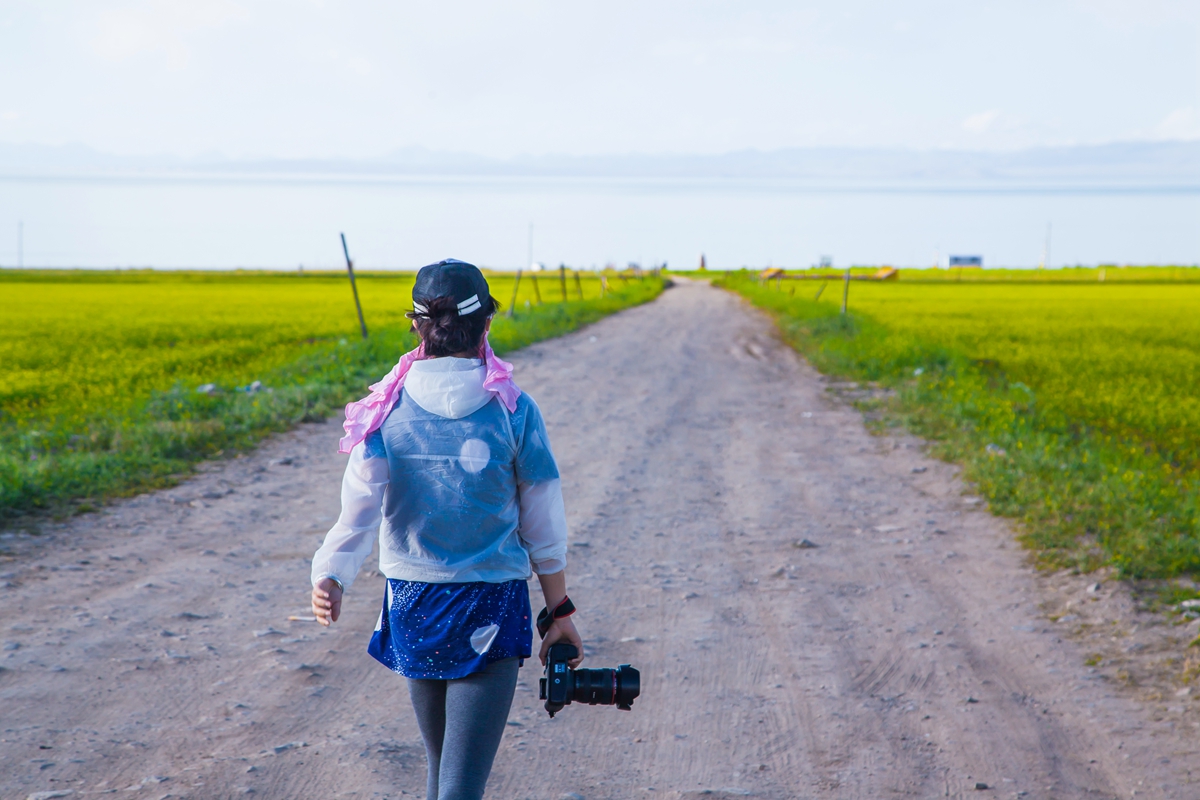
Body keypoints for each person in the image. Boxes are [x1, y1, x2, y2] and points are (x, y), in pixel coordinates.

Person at [309, 259, 583, 800]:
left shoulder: (385, 411)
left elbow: (359, 509)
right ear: (487, 323)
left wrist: (331, 573)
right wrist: (559, 613)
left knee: (441, 772)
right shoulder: (514, 411)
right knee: (460, 785)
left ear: (417, 325)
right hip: (489, 606)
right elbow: (542, 524)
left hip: (412, 603)